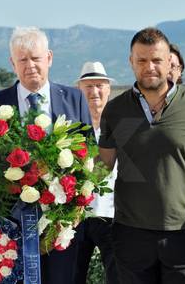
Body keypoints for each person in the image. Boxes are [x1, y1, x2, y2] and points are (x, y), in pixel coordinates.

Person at [98, 27, 185, 284]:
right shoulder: (116, 110)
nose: (149, 66)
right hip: (129, 235)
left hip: (184, 234)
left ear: (168, 61)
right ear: (131, 62)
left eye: (156, 60)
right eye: (141, 60)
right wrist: (61, 178)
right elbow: (103, 165)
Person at [0, 26, 91, 284]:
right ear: (12, 63)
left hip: (61, 223)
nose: (30, 65)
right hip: (12, 222)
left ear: (49, 58)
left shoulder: (74, 98)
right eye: (22, 59)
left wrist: (79, 205)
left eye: (36, 58)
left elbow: (89, 155)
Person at [74, 62, 119, 284]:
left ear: (108, 89)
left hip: (111, 214)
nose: (94, 92)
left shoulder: (123, 125)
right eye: (88, 86)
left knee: (118, 277)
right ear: (79, 89)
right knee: (72, 277)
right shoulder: (70, 128)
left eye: (99, 85)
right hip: (75, 217)